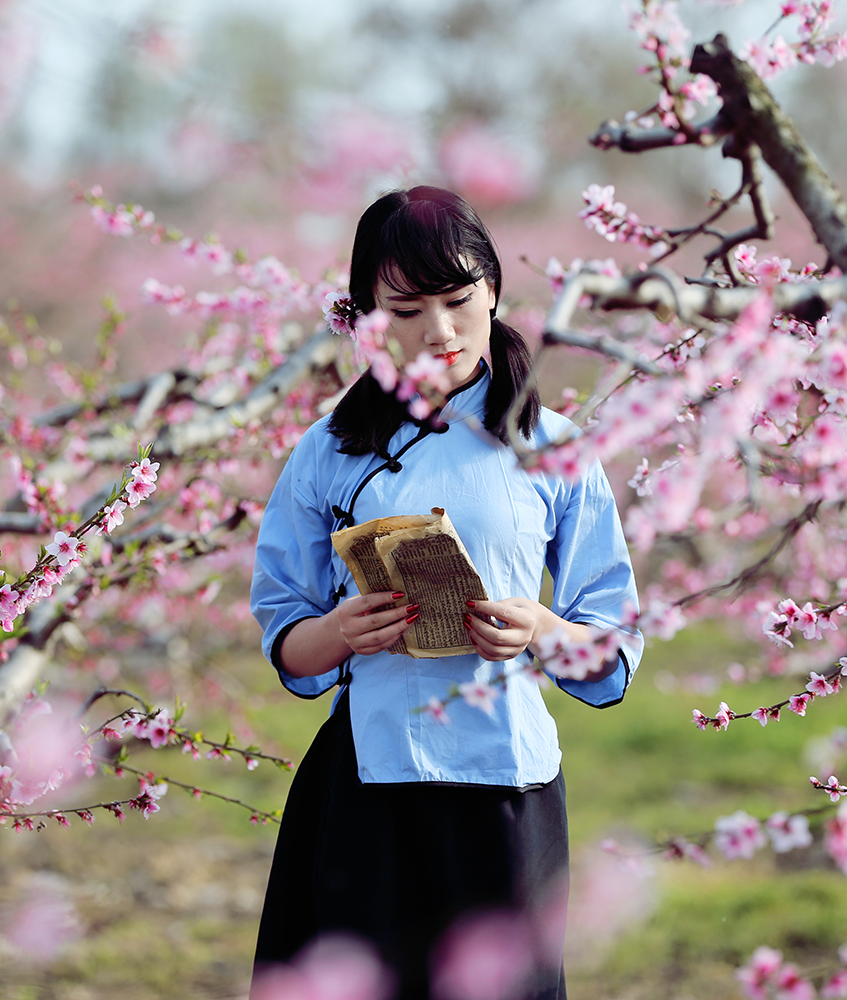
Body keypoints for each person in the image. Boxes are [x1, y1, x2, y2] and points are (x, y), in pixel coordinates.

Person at [249, 186, 641, 1000]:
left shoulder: (555, 449)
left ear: (494, 290)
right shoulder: (326, 452)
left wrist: (538, 628)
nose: (440, 331)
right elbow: (285, 629)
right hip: (366, 785)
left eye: (460, 300)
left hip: (507, 786)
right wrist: (342, 630)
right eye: (407, 308)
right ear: (365, 319)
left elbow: (611, 641)